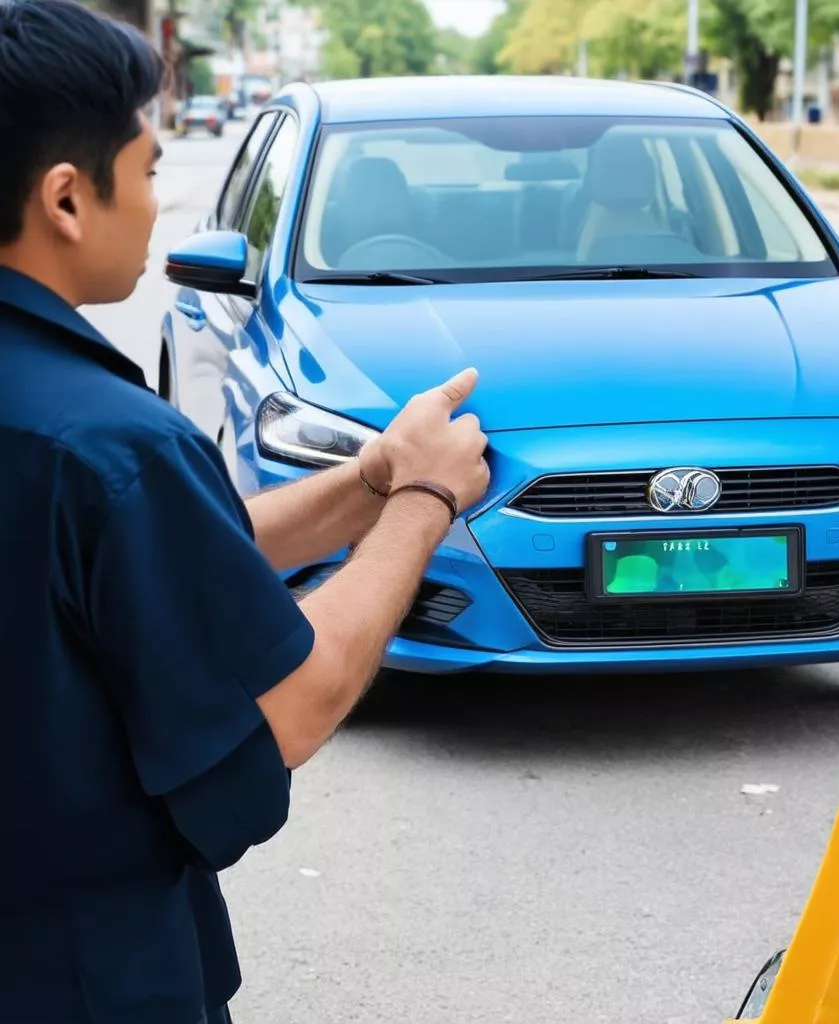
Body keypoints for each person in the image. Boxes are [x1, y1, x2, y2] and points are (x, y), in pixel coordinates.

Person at [0, 1, 490, 1021]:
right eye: (144, 169)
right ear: (64, 199)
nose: (159, 201)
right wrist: (426, 503)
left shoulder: (87, 451)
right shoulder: (112, 443)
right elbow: (291, 703)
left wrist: (372, 479)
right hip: (86, 978)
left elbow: (169, 561)